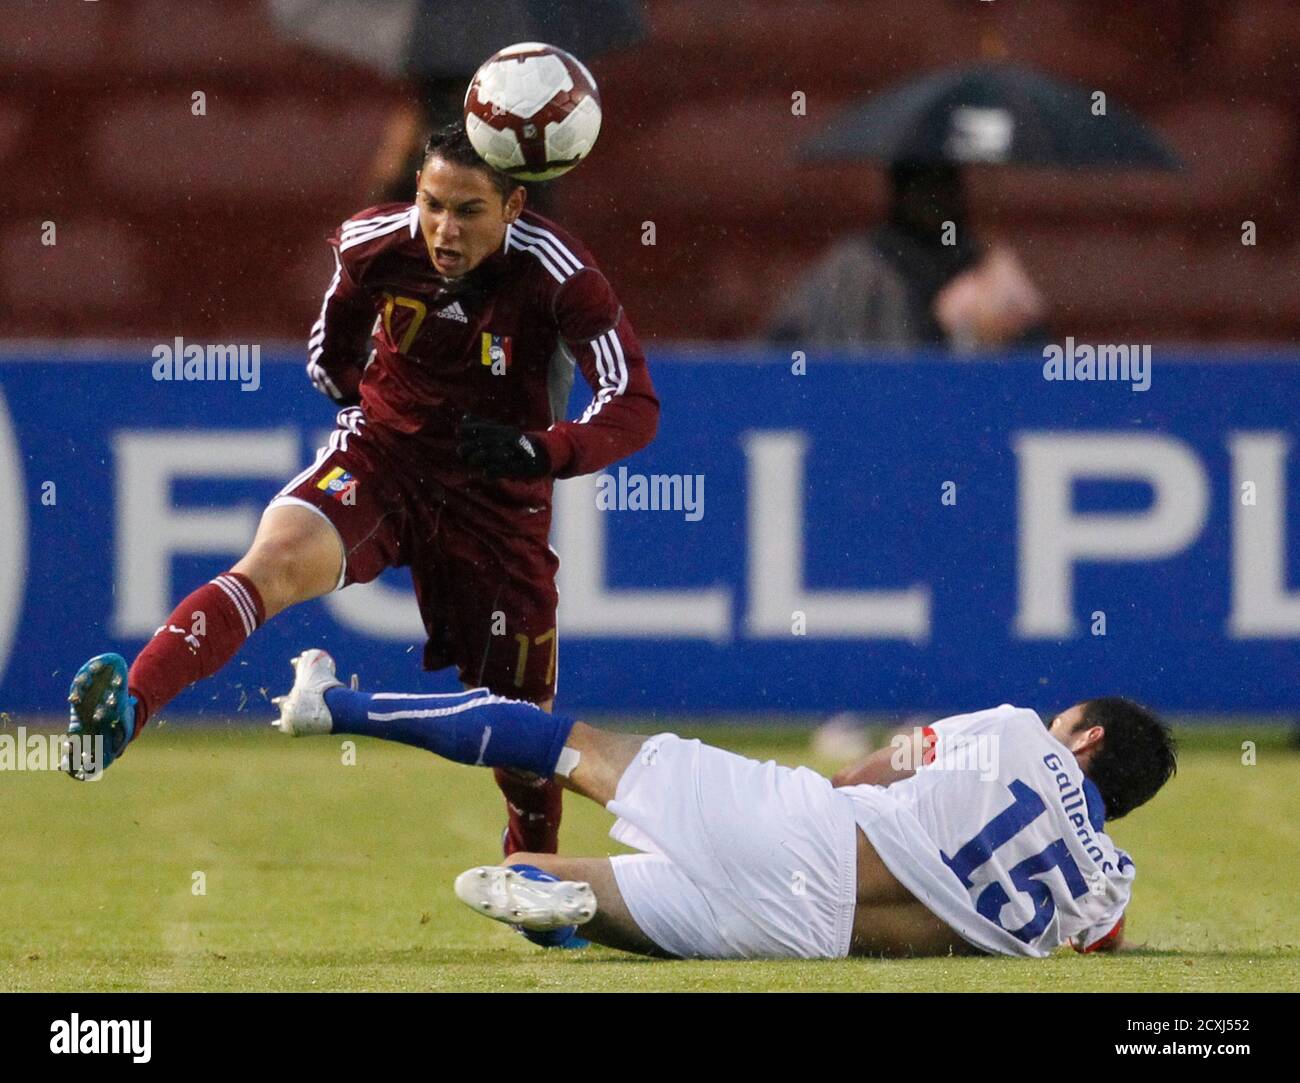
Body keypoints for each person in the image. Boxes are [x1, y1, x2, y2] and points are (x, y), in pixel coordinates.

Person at [64, 122, 660, 870]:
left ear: (513, 207)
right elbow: (330, 354)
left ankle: (536, 877)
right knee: (273, 561)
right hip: (383, 461)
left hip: (497, 505)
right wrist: (375, 410)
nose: (444, 229)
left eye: (468, 211)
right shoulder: (374, 243)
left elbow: (634, 402)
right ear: (416, 191)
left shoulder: (559, 272)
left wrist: (544, 449)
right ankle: (127, 713)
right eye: (433, 203)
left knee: (524, 735)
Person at [270, 648, 1177, 959]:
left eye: (1072, 723)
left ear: (1085, 739)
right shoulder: (1109, 888)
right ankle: (571, 906)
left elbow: (880, 770)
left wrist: (810, 793)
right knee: (527, 874)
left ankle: (334, 704)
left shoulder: (1022, 730)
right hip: (815, 939)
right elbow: (1107, 944)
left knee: (575, 747)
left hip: (814, 835)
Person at [768, 161, 1047, 352]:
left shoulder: (983, 264)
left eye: (944, 184)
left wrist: (999, 327)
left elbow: (1032, 364)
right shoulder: (858, 265)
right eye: (923, 185)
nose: (935, 197)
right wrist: (940, 328)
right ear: (900, 192)